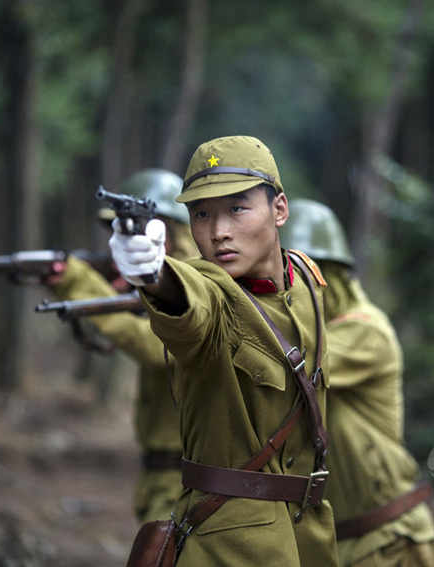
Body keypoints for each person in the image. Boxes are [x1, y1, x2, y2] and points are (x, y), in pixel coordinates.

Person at [109, 136, 338, 566]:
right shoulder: (210, 288)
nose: (218, 233)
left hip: (311, 536)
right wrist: (152, 272)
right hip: (231, 546)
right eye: (201, 214)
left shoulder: (307, 278)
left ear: (280, 209)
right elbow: (187, 299)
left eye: (237, 208)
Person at [280, 199, 434, 567]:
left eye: (305, 276)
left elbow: (293, 367)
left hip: (389, 541)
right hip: (339, 543)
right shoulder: (311, 334)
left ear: (330, 276)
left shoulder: (365, 330)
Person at [47, 169, 197, 523]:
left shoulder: (198, 288)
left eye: (139, 231)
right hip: (161, 474)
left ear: (170, 232)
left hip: (188, 478)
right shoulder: (157, 287)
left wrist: (79, 284)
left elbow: (151, 345)